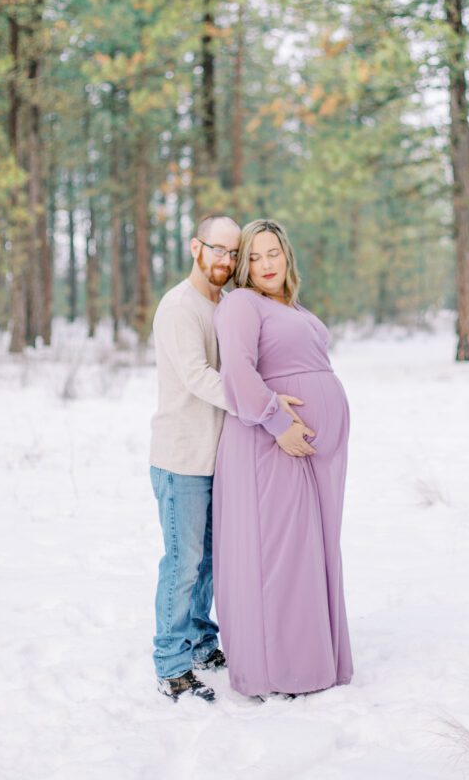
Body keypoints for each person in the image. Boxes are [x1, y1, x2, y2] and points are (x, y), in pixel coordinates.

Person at [149, 213, 307, 702]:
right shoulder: (180, 307)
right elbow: (199, 377)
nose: (228, 260)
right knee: (183, 562)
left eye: (234, 252)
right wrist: (262, 404)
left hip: (220, 456)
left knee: (212, 561)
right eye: (218, 249)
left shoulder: (224, 303)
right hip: (183, 458)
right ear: (196, 248)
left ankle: (200, 641)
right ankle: (171, 663)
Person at [212, 218, 353, 698]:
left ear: (286, 255)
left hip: (309, 449)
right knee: (281, 552)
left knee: (311, 549)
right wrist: (278, 421)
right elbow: (237, 370)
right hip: (269, 444)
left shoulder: (288, 305)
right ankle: (281, 667)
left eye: (272, 253)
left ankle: (314, 656)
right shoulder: (241, 305)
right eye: (252, 257)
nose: (264, 264)